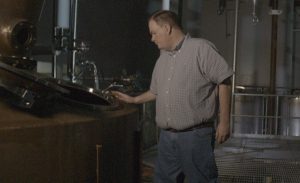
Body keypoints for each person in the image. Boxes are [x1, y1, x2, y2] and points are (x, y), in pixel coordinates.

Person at [112, 10, 233, 183]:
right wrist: (133, 100)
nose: (152, 38)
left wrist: (225, 122)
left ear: (167, 28)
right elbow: (155, 92)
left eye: (154, 33)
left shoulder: (201, 48)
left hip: (194, 136)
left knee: (201, 180)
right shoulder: (163, 59)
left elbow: (224, 79)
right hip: (167, 138)